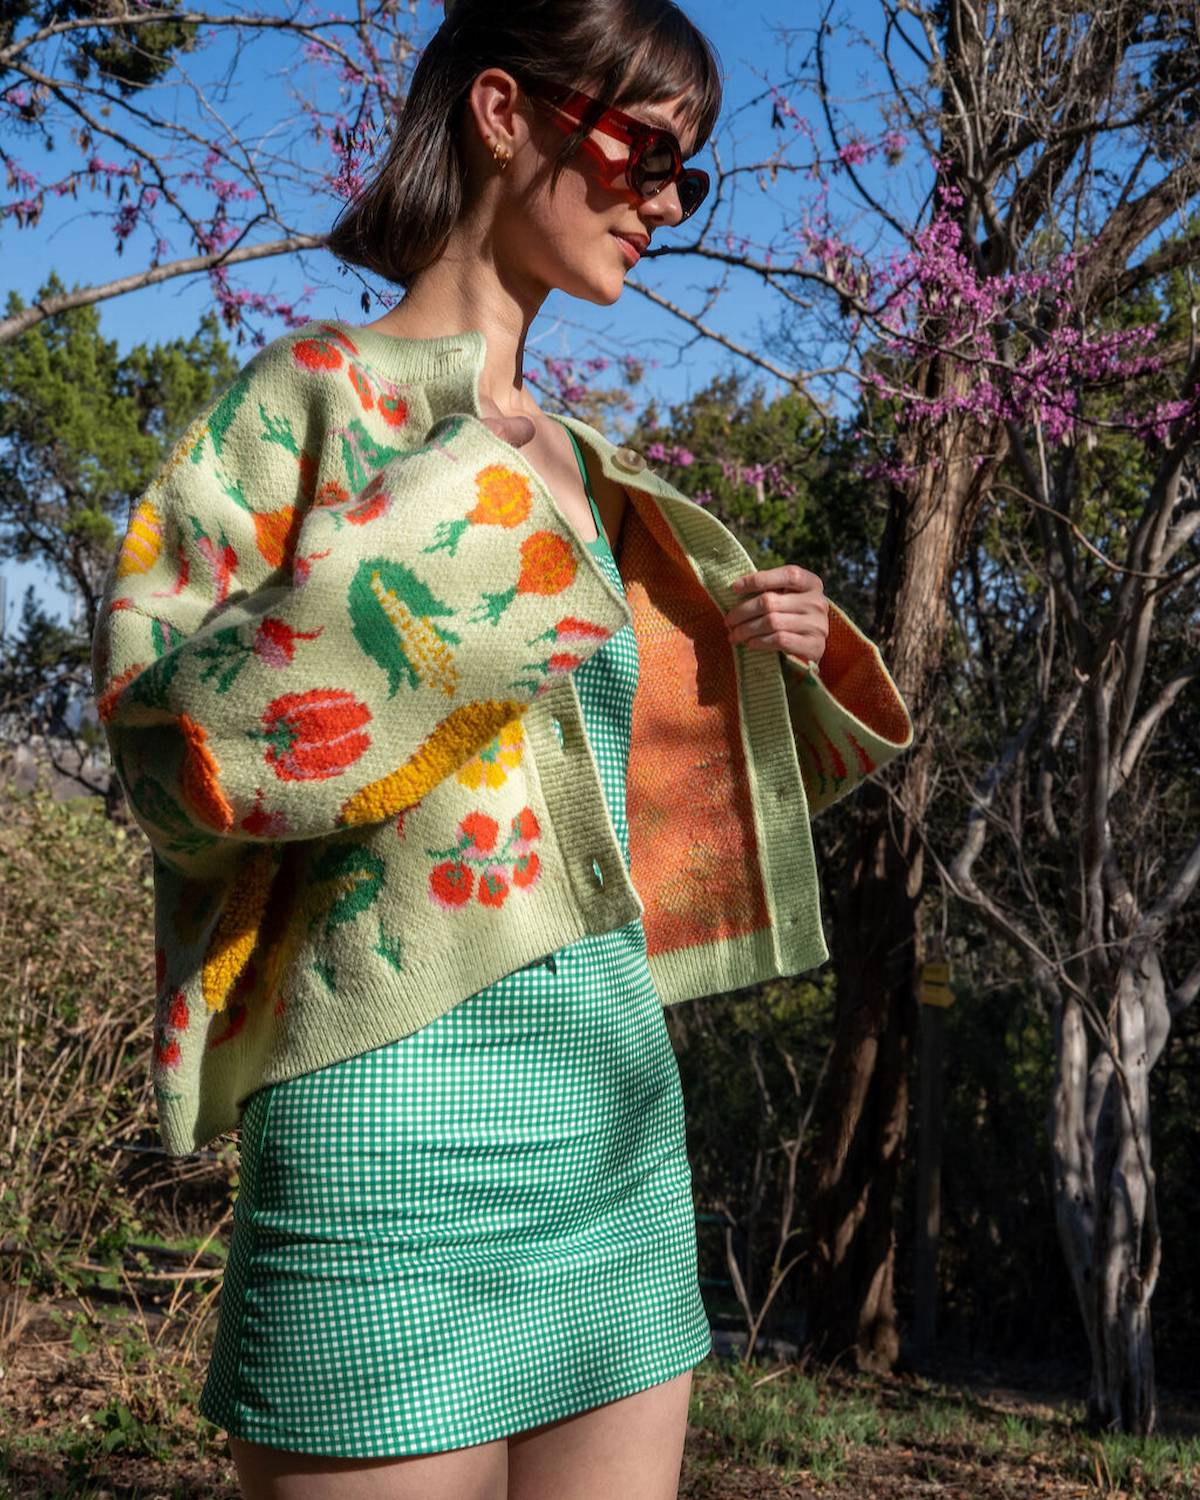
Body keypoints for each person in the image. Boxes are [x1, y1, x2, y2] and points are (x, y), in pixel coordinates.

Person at [91, 1, 914, 1496]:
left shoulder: (597, 470)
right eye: (648, 151)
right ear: (502, 113)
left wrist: (754, 660)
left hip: (614, 1128)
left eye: (693, 176)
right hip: (383, 1132)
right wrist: (441, 530)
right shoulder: (303, 403)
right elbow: (167, 756)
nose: (665, 203)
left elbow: (599, 796)